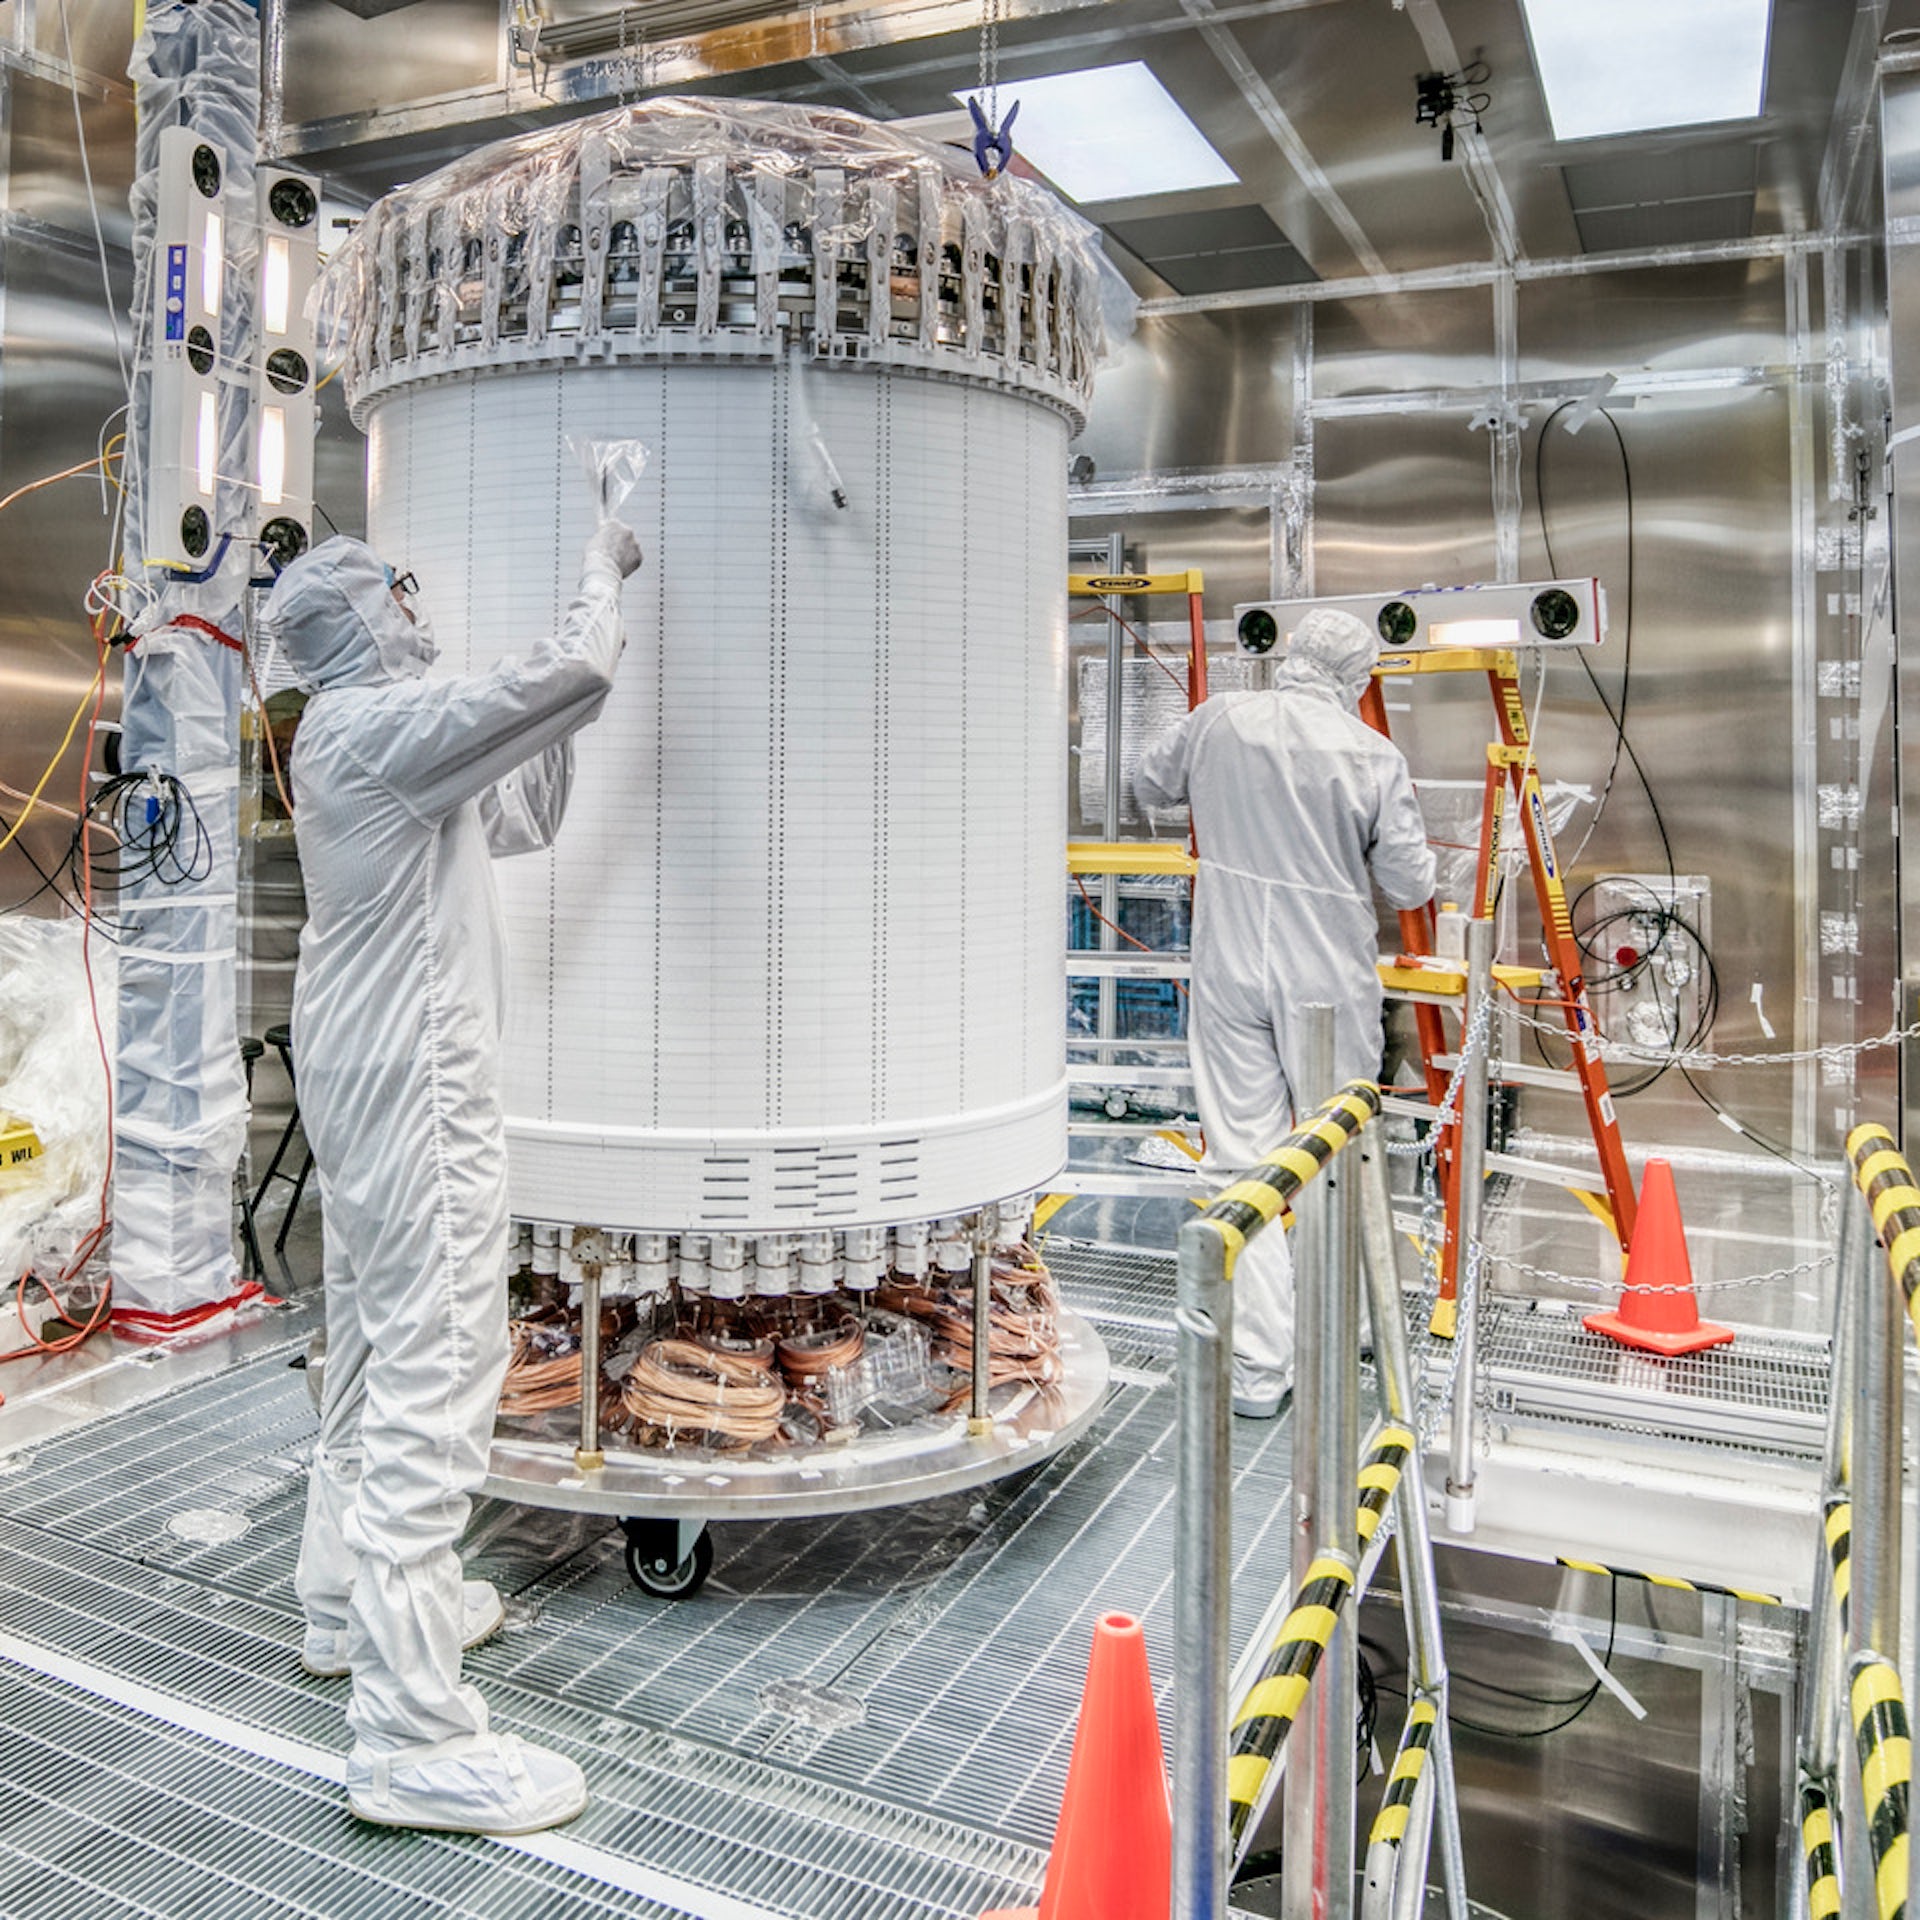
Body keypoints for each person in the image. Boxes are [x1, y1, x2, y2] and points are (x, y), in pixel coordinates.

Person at [263, 523, 642, 1835]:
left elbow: (525, 812)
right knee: (438, 1364)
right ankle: (410, 1732)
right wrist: (599, 562)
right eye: (397, 594)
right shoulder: (376, 724)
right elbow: (572, 675)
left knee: (368, 1350)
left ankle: (338, 1605)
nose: (415, 607)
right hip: (414, 1092)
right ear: (360, 625)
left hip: (356, 1082)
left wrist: (541, 718)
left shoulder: (361, 739)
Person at [1134, 606, 1435, 1417]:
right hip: (1326, 981)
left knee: (1243, 1166)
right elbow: (1410, 885)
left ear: (1291, 656)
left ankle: (1260, 1374)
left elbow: (1146, 782)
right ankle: (1340, 1348)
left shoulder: (1217, 719)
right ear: (1357, 677)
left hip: (1228, 961)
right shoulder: (1372, 754)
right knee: (1337, 1159)